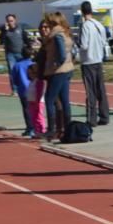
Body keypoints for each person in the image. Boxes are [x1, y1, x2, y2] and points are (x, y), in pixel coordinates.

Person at [43, 11, 75, 141]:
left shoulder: (57, 35)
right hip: (67, 69)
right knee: (65, 101)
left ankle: (51, 130)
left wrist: (56, 64)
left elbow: (61, 54)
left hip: (58, 71)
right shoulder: (65, 33)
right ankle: (67, 129)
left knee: (49, 99)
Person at [78, 1, 110, 127]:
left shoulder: (85, 25)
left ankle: (91, 119)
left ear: (82, 11)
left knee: (90, 91)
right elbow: (103, 42)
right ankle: (104, 116)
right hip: (98, 59)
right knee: (101, 90)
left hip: (88, 61)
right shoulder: (99, 24)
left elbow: (84, 45)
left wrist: (78, 45)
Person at [11, 45, 36, 137]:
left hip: (23, 90)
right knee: (36, 109)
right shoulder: (33, 63)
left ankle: (30, 128)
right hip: (35, 89)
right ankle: (36, 127)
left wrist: (17, 85)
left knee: (26, 109)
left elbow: (14, 78)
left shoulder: (17, 65)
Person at [0, 13, 27, 96]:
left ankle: (24, 87)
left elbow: (26, 39)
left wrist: (29, 48)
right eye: (8, 21)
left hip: (21, 53)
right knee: (12, 71)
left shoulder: (20, 28)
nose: (10, 22)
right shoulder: (4, 30)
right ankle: (14, 90)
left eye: (11, 21)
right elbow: (1, 40)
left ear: (15, 20)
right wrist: (5, 30)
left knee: (22, 71)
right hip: (10, 54)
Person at [25, 62, 47, 139]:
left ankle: (42, 131)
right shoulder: (32, 81)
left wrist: (37, 101)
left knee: (39, 117)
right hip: (31, 101)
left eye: (31, 73)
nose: (30, 75)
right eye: (28, 73)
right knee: (34, 117)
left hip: (38, 102)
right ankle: (37, 131)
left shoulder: (39, 81)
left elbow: (39, 92)